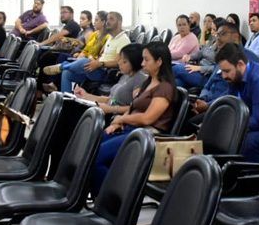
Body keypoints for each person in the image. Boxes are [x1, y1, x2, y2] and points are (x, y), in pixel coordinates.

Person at [90, 42, 176, 192]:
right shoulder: (148, 83)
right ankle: (100, 192)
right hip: (131, 129)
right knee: (90, 148)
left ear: (159, 61)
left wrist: (122, 119)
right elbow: (132, 107)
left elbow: (147, 118)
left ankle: (114, 197)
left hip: (146, 135)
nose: (142, 64)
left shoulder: (165, 88)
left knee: (96, 157)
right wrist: (116, 123)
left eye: (146, 60)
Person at [55, 11, 130, 91]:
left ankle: (62, 66)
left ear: (119, 22)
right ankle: (66, 99)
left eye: (111, 19)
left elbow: (118, 62)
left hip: (106, 73)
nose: (107, 22)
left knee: (84, 61)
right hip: (97, 68)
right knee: (67, 73)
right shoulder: (111, 38)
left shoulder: (123, 40)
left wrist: (99, 64)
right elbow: (102, 56)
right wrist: (95, 61)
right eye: (107, 19)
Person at [73, 43, 148, 117]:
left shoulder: (140, 78)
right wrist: (85, 95)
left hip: (115, 117)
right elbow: (110, 100)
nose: (119, 63)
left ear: (134, 62)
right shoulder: (126, 75)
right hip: (107, 111)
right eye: (120, 59)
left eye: (124, 61)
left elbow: (137, 108)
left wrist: (111, 109)